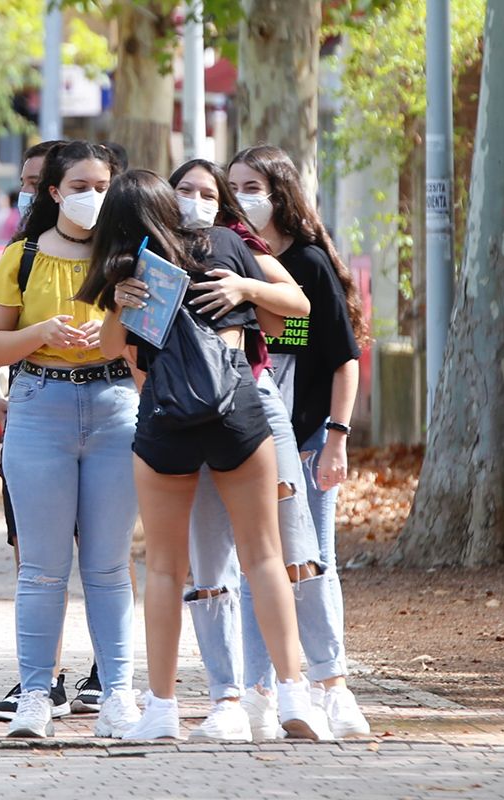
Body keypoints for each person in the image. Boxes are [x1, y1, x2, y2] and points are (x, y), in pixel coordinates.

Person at [79, 168, 330, 741]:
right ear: (171, 203)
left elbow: (109, 350)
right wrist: (245, 289)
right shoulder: (223, 243)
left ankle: (163, 711)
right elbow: (299, 306)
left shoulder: (126, 268)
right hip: (237, 408)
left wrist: (121, 302)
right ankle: (294, 697)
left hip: (165, 417)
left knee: (166, 568)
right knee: (265, 558)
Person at [161, 157, 333, 742]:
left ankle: (313, 686)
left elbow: (305, 319)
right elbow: (131, 346)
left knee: (290, 552)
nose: (197, 200)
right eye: (185, 189)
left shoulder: (242, 246)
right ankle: (229, 695)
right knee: (208, 563)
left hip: (255, 405)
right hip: (185, 412)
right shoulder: (151, 249)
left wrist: (245, 288)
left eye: (210, 192)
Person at [0, 141, 141, 739]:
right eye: (78, 185)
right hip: (39, 405)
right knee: (42, 568)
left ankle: (119, 693)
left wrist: (114, 332)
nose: (91, 197)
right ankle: (36, 696)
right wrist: (40, 332)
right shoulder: (21, 256)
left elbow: (151, 343)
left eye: (102, 185)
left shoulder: (132, 258)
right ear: (52, 192)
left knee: (108, 566)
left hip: (115, 406)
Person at [228, 144, 371, 738]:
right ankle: (257, 687)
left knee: (311, 561)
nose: (241, 196)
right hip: (250, 437)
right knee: (253, 562)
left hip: (308, 435)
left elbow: (345, 359)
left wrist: (335, 437)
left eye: (252, 185)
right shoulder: (231, 259)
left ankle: (330, 687)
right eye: (231, 185)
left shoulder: (308, 264)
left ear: (279, 192)